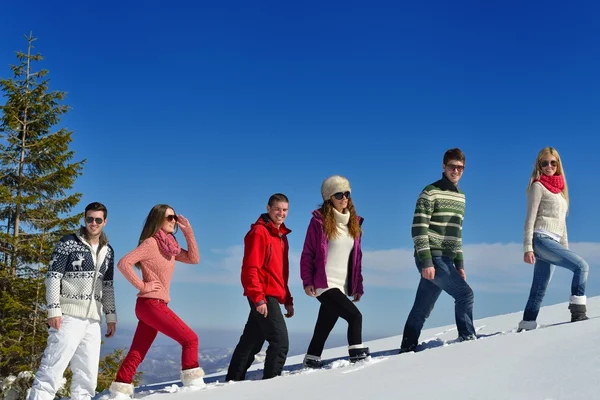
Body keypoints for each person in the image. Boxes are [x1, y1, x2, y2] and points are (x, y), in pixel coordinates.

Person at [108, 204, 201, 398]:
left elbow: (194, 259)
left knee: (138, 350)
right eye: (169, 217)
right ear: (158, 219)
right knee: (190, 339)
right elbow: (124, 263)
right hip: (151, 304)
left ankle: (120, 388)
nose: (174, 221)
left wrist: (188, 232)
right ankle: (193, 387)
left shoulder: (170, 247)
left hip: (151, 306)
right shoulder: (151, 243)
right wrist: (143, 286)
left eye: (174, 217)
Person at [29, 202, 117, 400]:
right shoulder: (68, 242)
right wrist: (54, 309)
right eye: (89, 219)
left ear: (105, 222)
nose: (93, 223)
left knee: (87, 376)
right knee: (52, 369)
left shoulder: (108, 251)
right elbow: (53, 276)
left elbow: (108, 285)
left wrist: (110, 315)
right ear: (84, 219)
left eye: (98, 220)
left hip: (93, 319)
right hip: (68, 316)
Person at [399, 148, 476, 353]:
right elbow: (418, 229)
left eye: (460, 168)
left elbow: (456, 233)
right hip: (432, 255)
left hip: (447, 258)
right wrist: (426, 261)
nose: (456, 171)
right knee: (465, 295)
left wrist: (459, 264)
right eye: (452, 166)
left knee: (422, 308)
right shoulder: (430, 192)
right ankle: (468, 339)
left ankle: (407, 346)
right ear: (444, 166)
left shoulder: (461, 197)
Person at [300, 175, 369, 368]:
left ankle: (312, 358)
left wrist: (357, 285)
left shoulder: (354, 224)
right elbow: (307, 253)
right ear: (329, 197)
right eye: (339, 194)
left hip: (342, 284)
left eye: (347, 194)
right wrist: (307, 281)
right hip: (324, 283)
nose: (344, 198)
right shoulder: (318, 222)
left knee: (324, 325)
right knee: (355, 316)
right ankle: (357, 356)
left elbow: (356, 259)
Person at [518, 147, 589, 331]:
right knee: (582, 266)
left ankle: (526, 325)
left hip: (554, 242)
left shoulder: (560, 192)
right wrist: (527, 247)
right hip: (541, 239)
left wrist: (565, 248)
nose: (549, 166)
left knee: (539, 288)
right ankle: (578, 312)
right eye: (544, 163)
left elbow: (562, 224)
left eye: (552, 163)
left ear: (558, 164)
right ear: (539, 165)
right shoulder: (537, 186)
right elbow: (530, 218)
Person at [226, 193, 294, 381]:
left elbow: (281, 273)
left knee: (251, 342)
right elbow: (250, 268)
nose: (281, 213)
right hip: (262, 294)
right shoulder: (259, 232)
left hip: (271, 294)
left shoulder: (281, 236)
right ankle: (271, 384)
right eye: (277, 209)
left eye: (285, 210)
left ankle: (232, 380)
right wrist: (258, 298)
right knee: (280, 342)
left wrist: (288, 299)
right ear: (268, 209)